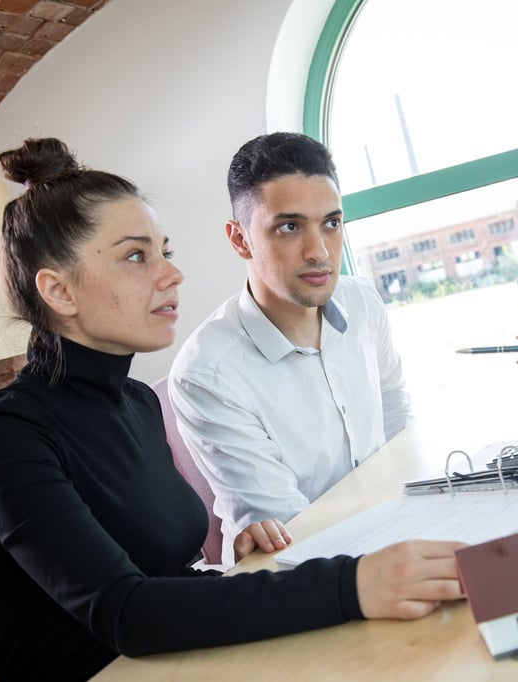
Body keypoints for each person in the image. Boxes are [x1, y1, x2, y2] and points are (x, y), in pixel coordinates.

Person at [0, 138, 464, 682]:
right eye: (135, 256)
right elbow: (128, 613)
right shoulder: (2, 437)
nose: (172, 275)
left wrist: (231, 566)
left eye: (164, 252)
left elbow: (163, 575)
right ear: (58, 290)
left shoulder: (136, 403)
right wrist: (354, 585)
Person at [169, 132, 413, 565]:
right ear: (240, 239)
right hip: (300, 572)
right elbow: (289, 530)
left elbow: (400, 430)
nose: (319, 251)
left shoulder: (362, 302)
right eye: (289, 226)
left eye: (332, 223)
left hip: (394, 534)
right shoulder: (206, 373)